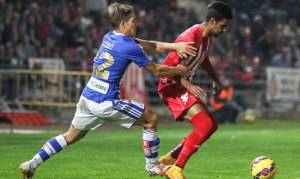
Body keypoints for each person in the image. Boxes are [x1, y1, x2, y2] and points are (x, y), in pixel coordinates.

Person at [19, 3, 197, 179]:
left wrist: (175, 47)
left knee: (70, 136)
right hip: (104, 102)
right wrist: (178, 71)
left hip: (87, 98)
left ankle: (31, 164)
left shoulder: (109, 36)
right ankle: (152, 167)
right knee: (151, 119)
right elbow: (157, 70)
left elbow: (149, 45)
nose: (137, 23)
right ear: (123, 23)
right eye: (134, 20)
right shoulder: (129, 46)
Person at [157, 1, 233, 179]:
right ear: (213, 21)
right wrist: (189, 85)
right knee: (204, 124)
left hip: (180, 87)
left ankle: (171, 157)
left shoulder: (206, 37)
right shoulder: (190, 37)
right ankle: (177, 169)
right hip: (170, 87)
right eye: (223, 26)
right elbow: (165, 68)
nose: (225, 30)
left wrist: (215, 79)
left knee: (211, 125)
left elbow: (203, 59)